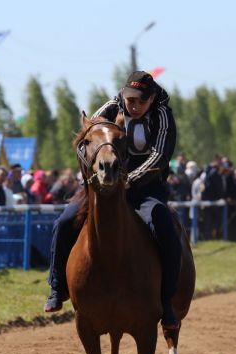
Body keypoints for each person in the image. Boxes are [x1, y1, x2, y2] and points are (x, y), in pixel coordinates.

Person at [44, 71, 181, 331]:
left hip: (145, 188)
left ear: (151, 99)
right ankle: (56, 287)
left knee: (164, 224)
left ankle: (166, 300)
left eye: (140, 101)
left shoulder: (163, 116)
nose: (134, 106)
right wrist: (93, 173)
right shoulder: (110, 107)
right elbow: (87, 138)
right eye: (130, 100)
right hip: (101, 184)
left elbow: (160, 157)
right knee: (64, 221)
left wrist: (127, 180)